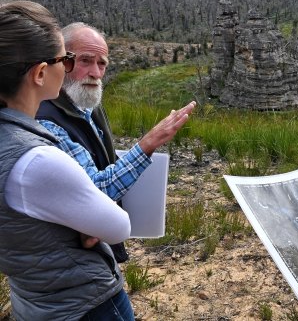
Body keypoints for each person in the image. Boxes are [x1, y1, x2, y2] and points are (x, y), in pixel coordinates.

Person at [0, 1, 134, 319]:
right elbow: (118, 227)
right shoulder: (38, 159)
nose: (71, 68)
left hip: (32, 298)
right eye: (67, 59)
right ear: (41, 72)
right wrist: (83, 223)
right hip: (85, 304)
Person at [36, 22, 195, 262]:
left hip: (94, 248)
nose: (96, 73)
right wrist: (148, 144)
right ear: (62, 61)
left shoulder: (87, 107)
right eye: (86, 61)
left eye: (102, 64)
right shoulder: (48, 122)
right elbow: (95, 192)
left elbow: (99, 162)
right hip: (71, 258)